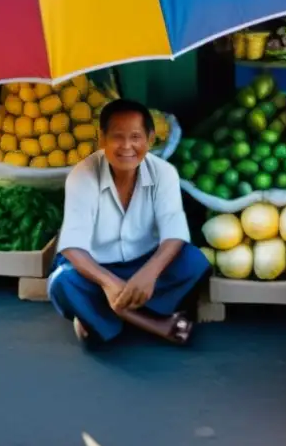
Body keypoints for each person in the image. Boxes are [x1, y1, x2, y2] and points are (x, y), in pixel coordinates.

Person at [48, 98, 210, 347]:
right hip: (94, 268)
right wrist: (108, 283)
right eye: (117, 137)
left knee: (194, 261)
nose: (126, 146)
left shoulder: (164, 173)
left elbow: (175, 233)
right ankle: (154, 323)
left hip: (144, 261)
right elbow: (72, 246)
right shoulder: (82, 176)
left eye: (136, 136)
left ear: (150, 139)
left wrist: (149, 272)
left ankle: (100, 313)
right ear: (102, 139)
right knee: (62, 282)